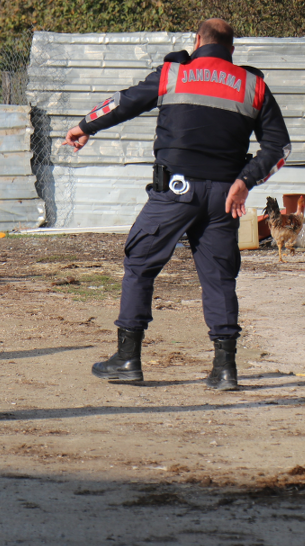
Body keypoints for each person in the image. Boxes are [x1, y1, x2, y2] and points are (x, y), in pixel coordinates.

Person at [63, 19, 292, 391]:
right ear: (231, 49)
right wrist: (244, 182)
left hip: (174, 190)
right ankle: (225, 370)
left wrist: (84, 126)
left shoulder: (174, 73)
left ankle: (127, 359)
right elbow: (279, 147)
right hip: (224, 197)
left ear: (197, 41)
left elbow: (124, 103)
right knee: (219, 277)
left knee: (140, 264)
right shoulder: (253, 85)